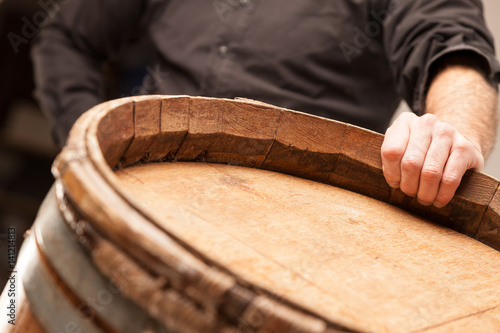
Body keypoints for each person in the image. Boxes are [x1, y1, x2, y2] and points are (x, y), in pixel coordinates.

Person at [32, 0, 499, 208]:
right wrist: (89, 147)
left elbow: (451, 48)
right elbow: (68, 38)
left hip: (292, 231)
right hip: (128, 188)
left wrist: (452, 132)